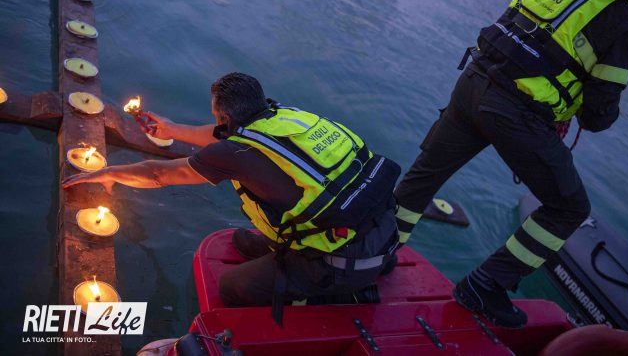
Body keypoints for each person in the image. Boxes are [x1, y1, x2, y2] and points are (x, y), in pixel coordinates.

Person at [393, 0, 628, 328]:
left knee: (424, 175)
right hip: (517, 113)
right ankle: (485, 285)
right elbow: (597, 115)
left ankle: (377, 251)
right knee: (569, 208)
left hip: (474, 80)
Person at [63, 72, 400, 324]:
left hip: (341, 262)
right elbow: (229, 138)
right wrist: (172, 129)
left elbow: (157, 174)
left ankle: (330, 298)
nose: (216, 122)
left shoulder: (236, 152)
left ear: (224, 116)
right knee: (241, 241)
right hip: (378, 229)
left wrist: (109, 173)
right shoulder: (286, 117)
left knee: (233, 287)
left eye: (216, 115)